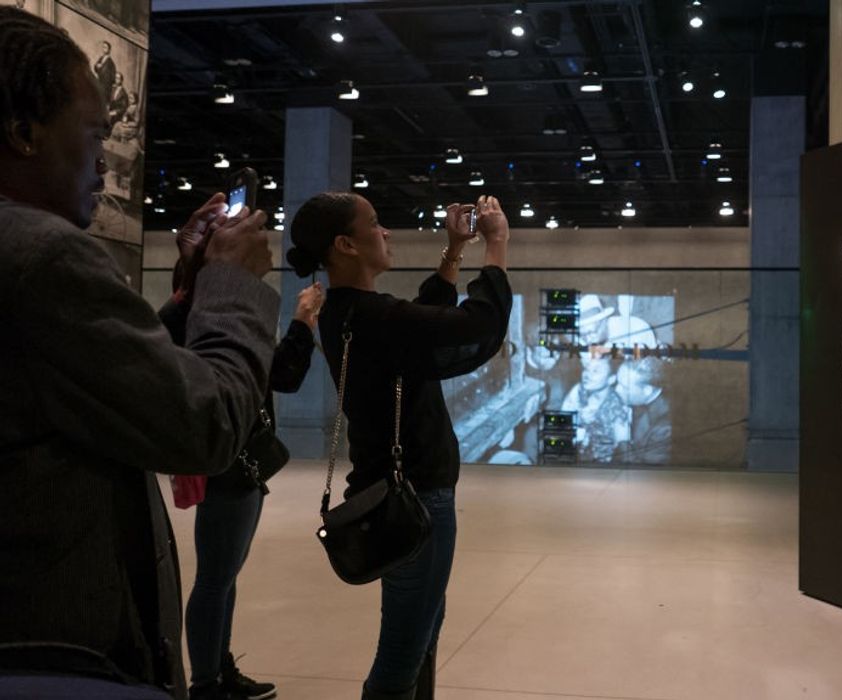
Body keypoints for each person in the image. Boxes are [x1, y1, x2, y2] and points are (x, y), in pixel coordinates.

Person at [0, 9, 277, 699]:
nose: (105, 158)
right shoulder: (42, 254)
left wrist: (187, 297)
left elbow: (84, 381)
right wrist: (231, 287)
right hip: (60, 656)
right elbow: (201, 424)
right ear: (23, 130)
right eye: (95, 133)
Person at [287, 192, 512, 700]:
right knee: (401, 657)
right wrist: (495, 245)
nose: (385, 232)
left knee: (420, 636)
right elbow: (476, 328)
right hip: (418, 499)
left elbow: (417, 333)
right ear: (346, 243)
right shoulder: (371, 315)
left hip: (394, 493)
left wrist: (454, 253)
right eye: (375, 222)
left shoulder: (345, 312)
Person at [160, 195, 322, 700]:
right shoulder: (196, 312)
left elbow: (270, 377)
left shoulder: (196, 309)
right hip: (228, 463)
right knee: (215, 578)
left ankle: (218, 670)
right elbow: (276, 376)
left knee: (223, 577)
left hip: (238, 461)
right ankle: (207, 682)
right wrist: (300, 324)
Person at [615, 357, 672, 464]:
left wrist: (622, 441)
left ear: (647, 390)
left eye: (624, 387)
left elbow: (646, 473)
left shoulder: (664, 428)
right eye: (617, 382)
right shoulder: (641, 400)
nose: (617, 389)